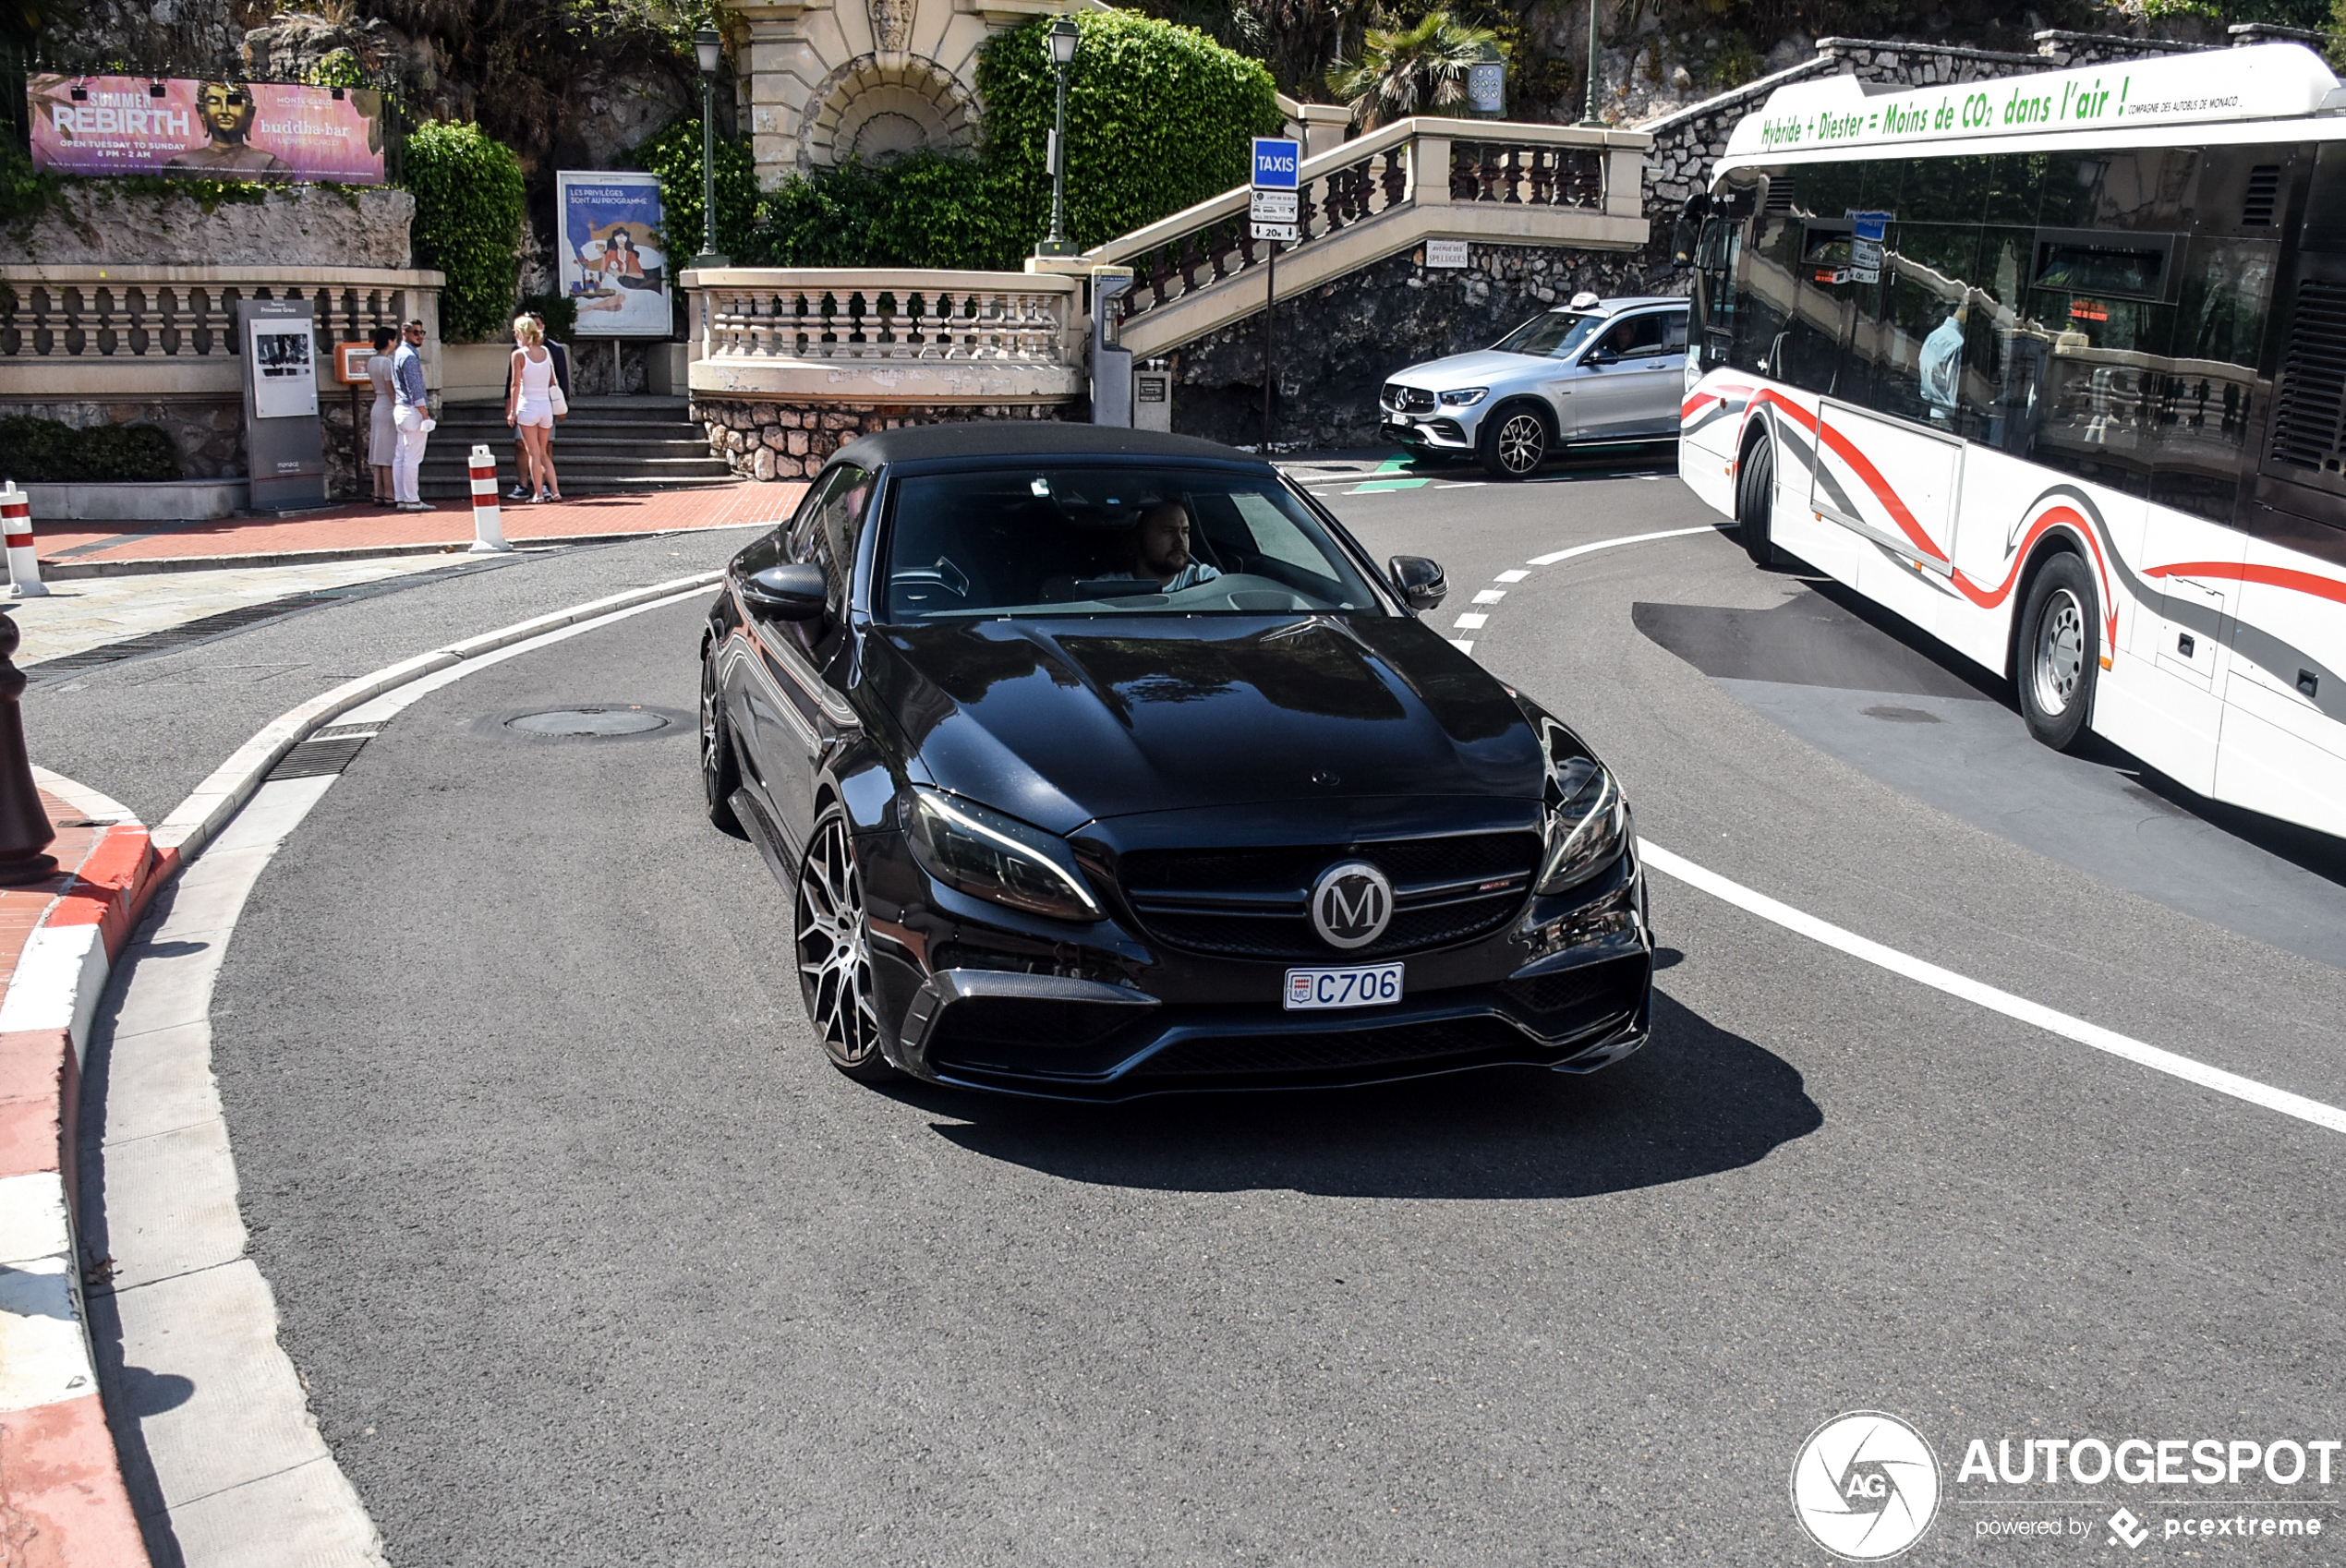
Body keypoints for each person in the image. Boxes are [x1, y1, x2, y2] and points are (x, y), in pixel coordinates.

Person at [504, 311, 570, 500]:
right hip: (545, 407)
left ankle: (539, 493)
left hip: (528, 406)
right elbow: (552, 380)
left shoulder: (518, 355)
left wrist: (512, 411)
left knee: (532, 453)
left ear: (521, 333)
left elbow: (515, 385)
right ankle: (555, 491)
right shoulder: (546, 352)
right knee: (544, 453)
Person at [165, 82, 291, 176]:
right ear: (202, 112)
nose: (224, 111)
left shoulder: (272, 166)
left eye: (234, 103)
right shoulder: (180, 164)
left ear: (250, 114)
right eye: (214, 102)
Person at [1128, 500, 1220, 591]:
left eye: (1185, 531)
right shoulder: (1115, 587)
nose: (1181, 542)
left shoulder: (1206, 580)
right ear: (1141, 535)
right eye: (1169, 531)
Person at [391, 318, 432, 512]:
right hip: (411, 409)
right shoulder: (409, 356)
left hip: (400, 408)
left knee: (401, 455)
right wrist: (425, 415)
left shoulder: (398, 353)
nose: (419, 336)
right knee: (412, 457)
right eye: (415, 332)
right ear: (405, 333)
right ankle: (412, 499)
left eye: (421, 332)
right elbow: (415, 389)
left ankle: (401, 498)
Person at [365, 326, 397, 505]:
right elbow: (390, 389)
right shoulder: (386, 363)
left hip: (377, 404)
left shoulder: (371, 361)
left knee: (377, 452)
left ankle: (378, 492)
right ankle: (389, 493)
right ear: (389, 341)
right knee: (387, 453)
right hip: (387, 406)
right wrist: (397, 406)